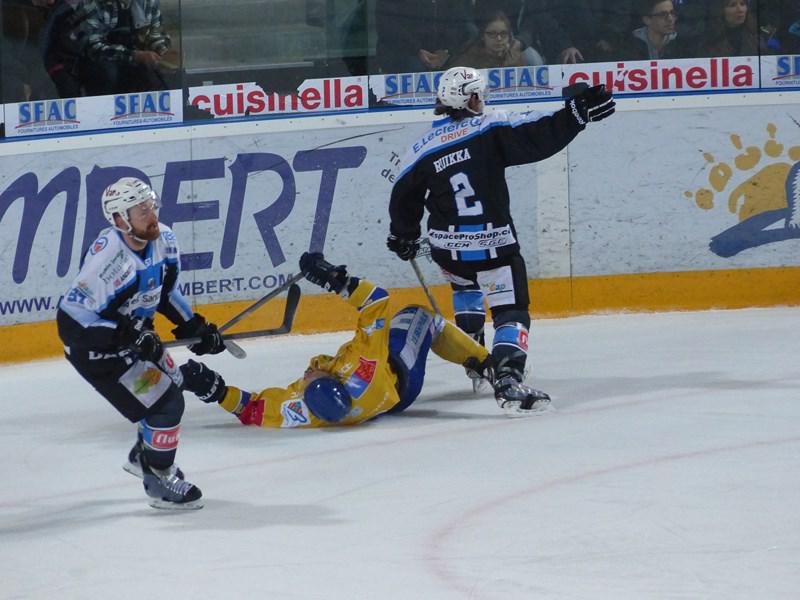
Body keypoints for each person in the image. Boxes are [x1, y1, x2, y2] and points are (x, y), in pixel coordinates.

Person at [385, 66, 614, 409]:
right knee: (510, 310)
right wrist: (575, 114)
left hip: (446, 248)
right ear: (471, 98)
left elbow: (403, 197)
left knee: (465, 286)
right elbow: (535, 133)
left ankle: (473, 355)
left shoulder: (420, 148)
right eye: (480, 95)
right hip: (493, 246)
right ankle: (507, 378)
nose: (483, 100)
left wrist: (403, 235)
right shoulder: (489, 128)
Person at [181, 251, 549, 424]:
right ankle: (489, 366)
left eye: (306, 381)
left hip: (387, 400)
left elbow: (253, 409)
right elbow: (378, 301)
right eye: (312, 376)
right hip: (401, 374)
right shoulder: (362, 367)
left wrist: (214, 390)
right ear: (336, 379)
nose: (306, 374)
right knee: (422, 317)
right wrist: (334, 279)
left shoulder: (308, 410)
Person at [56, 177, 228, 510]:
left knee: (172, 381)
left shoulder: (165, 239)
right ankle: (158, 478)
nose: (152, 215)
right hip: (99, 353)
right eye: (141, 210)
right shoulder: (108, 261)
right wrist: (130, 336)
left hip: (134, 338)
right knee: (167, 403)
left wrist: (193, 326)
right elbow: (72, 323)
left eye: (151, 206)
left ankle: (143, 455)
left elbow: (164, 293)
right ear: (120, 219)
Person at [43, 0, 171, 97]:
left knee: (155, 78)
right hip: (83, 61)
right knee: (108, 73)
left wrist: (161, 49)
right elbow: (92, 47)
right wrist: (135, 56)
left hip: (129, 58)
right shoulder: (94, 5)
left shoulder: (149, 3)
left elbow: (155, 33)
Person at [374, 0, 474, 73]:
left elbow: (462, 26)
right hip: (403, 56)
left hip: (447, 55)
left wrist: (447, 51)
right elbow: (388, 27)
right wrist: (417, 50)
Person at [451, 10, 528, 69]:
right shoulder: (468, 59)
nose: (499, 38)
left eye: (503, 33)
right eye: (492, 34)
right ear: (482, 36)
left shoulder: (514, 57)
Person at [622, 0, 686, 60]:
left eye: (672, 13)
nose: (670, 19)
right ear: (647, 20)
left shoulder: (682, 43)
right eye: (662, 14)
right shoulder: (629, 44)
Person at [694, 0, 760, 57]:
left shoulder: (757, 35)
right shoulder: (707, 39)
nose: (740, 10)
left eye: (742, 4)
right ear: (721, 10)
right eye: (732, 5)